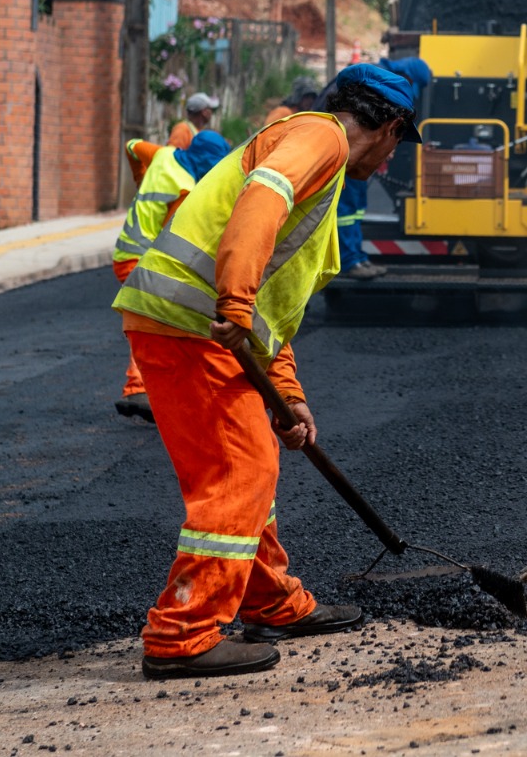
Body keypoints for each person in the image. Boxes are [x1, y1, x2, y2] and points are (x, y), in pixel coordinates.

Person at [113, 63, 421, 679]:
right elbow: (262, 200)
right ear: (387, 126)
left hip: (200, 329)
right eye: (396, 146)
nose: (389, 161)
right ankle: (183, 633)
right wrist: (232, 296)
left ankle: (267, 599)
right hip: (194, 324)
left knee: (253, 471)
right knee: (240, 473)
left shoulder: (322, 174)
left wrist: (288, 396)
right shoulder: (322, 137)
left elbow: (271, 315)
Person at [113, 130, 232, 422]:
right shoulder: (185, 191)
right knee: (154, 322)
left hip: (125, 254)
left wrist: (140, 178)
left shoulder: (163, 154)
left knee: (154, 321)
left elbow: (131, 146)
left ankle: (154, 390)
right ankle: (138, 388)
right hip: (143, 261)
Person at [336, 55, 433, 280]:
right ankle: (349, 261)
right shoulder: (374, 81)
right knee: (347, 210)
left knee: (356, 208)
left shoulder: (380, 79)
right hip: (348, 154)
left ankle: (356, 258)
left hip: (352, 153)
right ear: (407, 76)